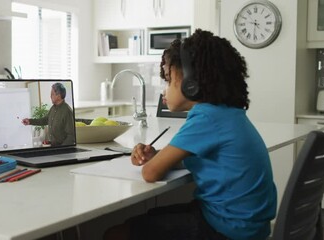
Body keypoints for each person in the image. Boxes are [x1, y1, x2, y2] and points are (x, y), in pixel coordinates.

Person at [104, 29, 277, 240]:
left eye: (168, 80)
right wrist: (156, 155)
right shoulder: (227, 112)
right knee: (150, 217)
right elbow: (192, 161)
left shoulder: (207, 117)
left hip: (226, 229)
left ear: (191, 83)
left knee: (117, 233)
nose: (164, 90)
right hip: (245, 225)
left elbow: (150, 173)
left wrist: (153, 162)